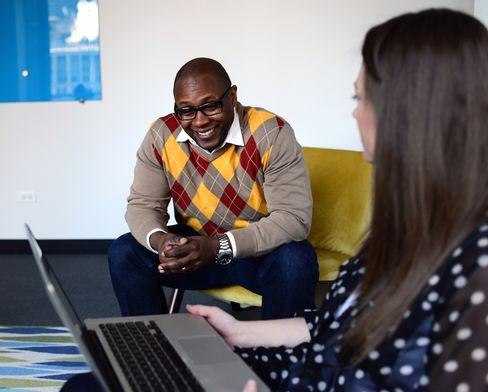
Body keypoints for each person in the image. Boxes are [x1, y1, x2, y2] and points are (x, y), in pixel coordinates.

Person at [187, 8, 488, 391]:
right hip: (302, 367)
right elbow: (336, 325)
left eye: (360, 98)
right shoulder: (409, 230)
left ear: (407, 113)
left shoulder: (478, 265)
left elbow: (292, 221)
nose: (354, 112)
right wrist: (239, 333)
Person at [108, 57, 318, 320]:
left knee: (295, 260)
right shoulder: (161, 135)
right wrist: (161, 241)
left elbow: (293, 219)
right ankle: (151, 350)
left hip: (255, 251)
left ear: (232, 96)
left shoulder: (271, 133)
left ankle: (280, 358)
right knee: (124, 253)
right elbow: (143, 205)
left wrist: (218, 246)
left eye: (210, 106)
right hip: (194, 248)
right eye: (186, 110)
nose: (199, 121)